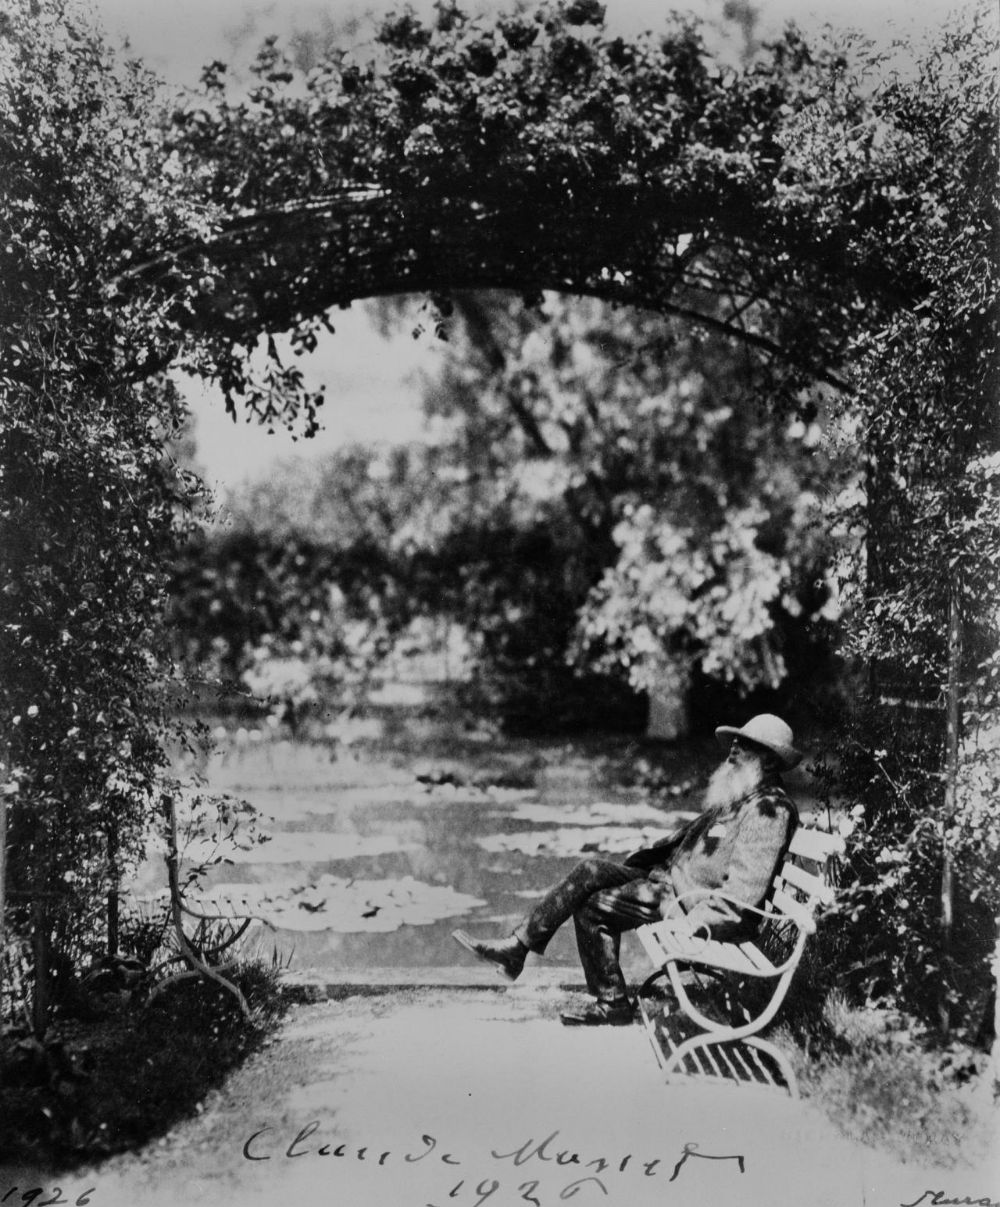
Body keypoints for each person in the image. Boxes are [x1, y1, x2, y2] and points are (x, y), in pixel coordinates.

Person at [452, 713, 801, 1026]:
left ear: (769, 761)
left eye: (746, 745)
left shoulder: (769, 809)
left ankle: (612, 1003)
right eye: (735, 742)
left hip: (687, 901)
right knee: (589, 869)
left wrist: (690, 923)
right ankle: (517, 946)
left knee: (594, 906)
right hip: (665, 878)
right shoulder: (742, 797)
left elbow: (740, 897)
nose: (733, 750)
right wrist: (647, 862)